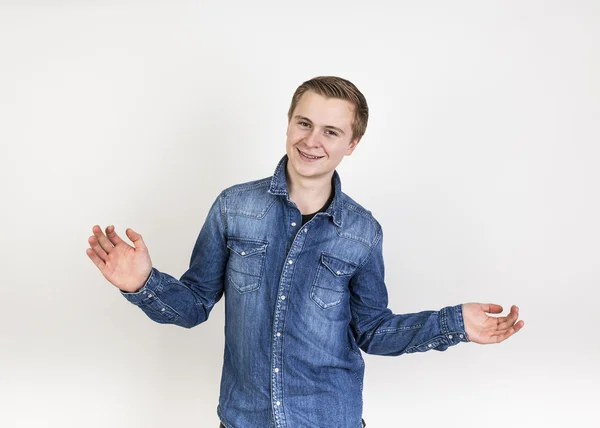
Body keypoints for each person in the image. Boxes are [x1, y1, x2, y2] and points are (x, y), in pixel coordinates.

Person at [86, 76, 524, 428]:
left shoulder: (362, 231)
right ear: (289, 124)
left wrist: (453, 324)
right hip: (244, 419)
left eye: (331, 131)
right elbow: (194, 305)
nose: (312, 140)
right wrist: (143, 284)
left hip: (330, 418)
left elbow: (373, 331)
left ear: (351, 144)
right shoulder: (234, 206)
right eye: (304, 123)